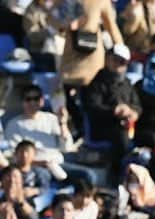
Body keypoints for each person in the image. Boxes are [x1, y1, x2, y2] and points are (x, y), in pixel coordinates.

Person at [58, 0, 123, 132]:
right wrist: (65, 24)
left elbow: (111, 25)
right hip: (72, 50)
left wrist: (121, 48)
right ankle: (76, 127)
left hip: (92, 52)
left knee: (91, 92)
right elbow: (54, 21)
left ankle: (89, 130)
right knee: (67, 91)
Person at [82, 42, 141, 172]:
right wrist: (114, 111)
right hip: (104, 128)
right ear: (108, 59)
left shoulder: (127, 83)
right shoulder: (97, 83)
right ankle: (117, 174)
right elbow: (92, 107)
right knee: (122, 139)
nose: (118, 64)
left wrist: (133, 113)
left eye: (123, 62)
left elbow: (137, 105)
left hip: (127, 126)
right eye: (115, 60)